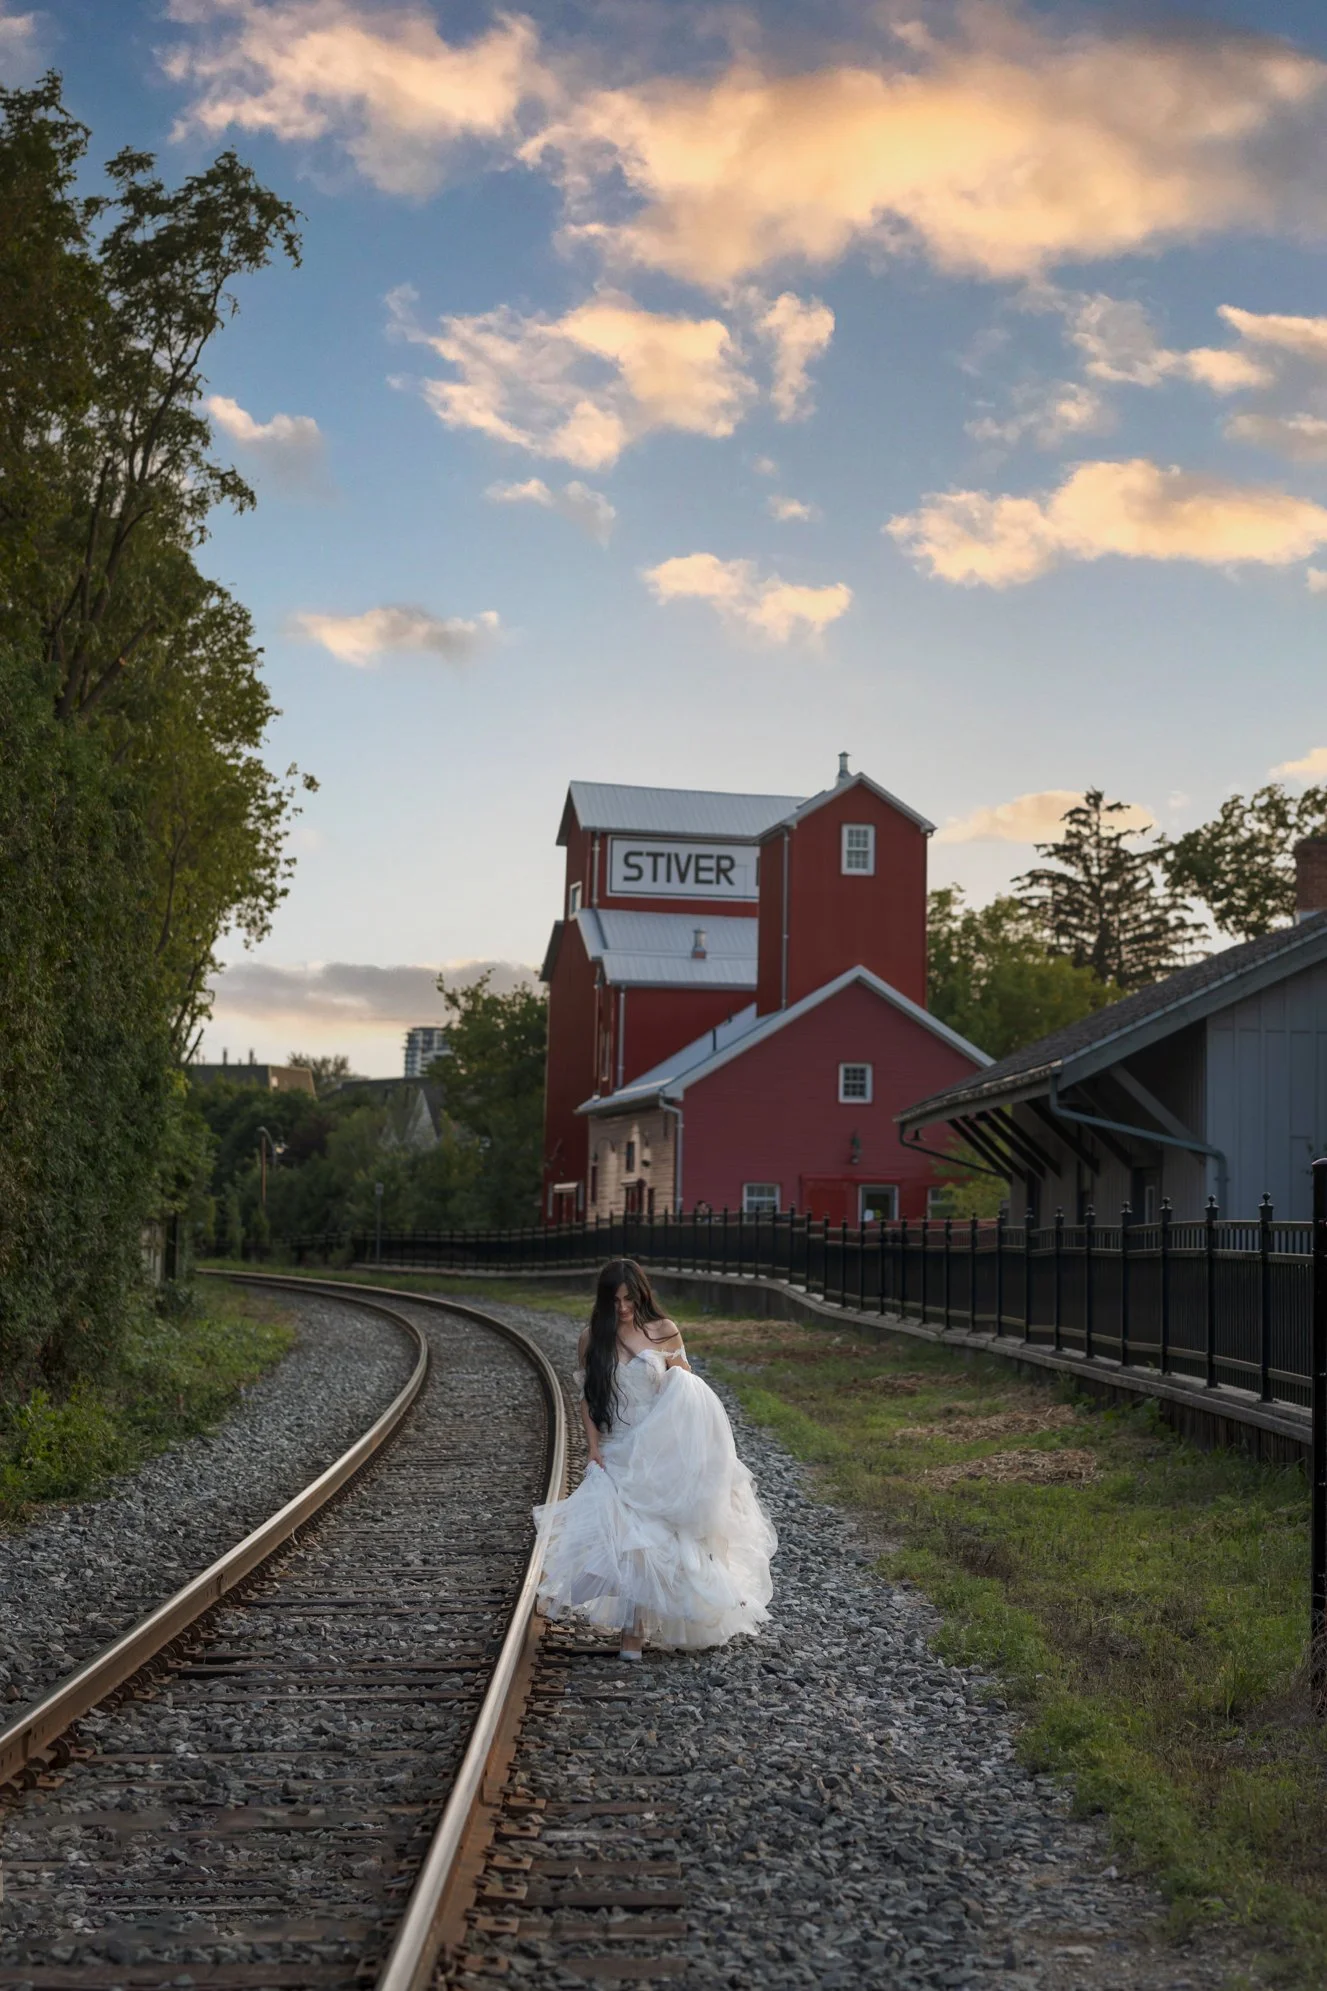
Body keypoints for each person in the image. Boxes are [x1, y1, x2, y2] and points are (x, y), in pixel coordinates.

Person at [533, 1257, 777, 1659]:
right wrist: (593, 1449)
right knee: (631, 1539)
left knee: (665, 1535)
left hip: (662, 1447)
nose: (624, 1308)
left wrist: (693, 1445)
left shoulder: (664, 1331)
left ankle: (646, 1627)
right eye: (615, 1300)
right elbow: (589, 1401)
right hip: (618, 1445)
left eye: (630, 1298)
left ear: (642, 1295)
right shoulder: (591, 1338)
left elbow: (688, 1390)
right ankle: (634, 1630)